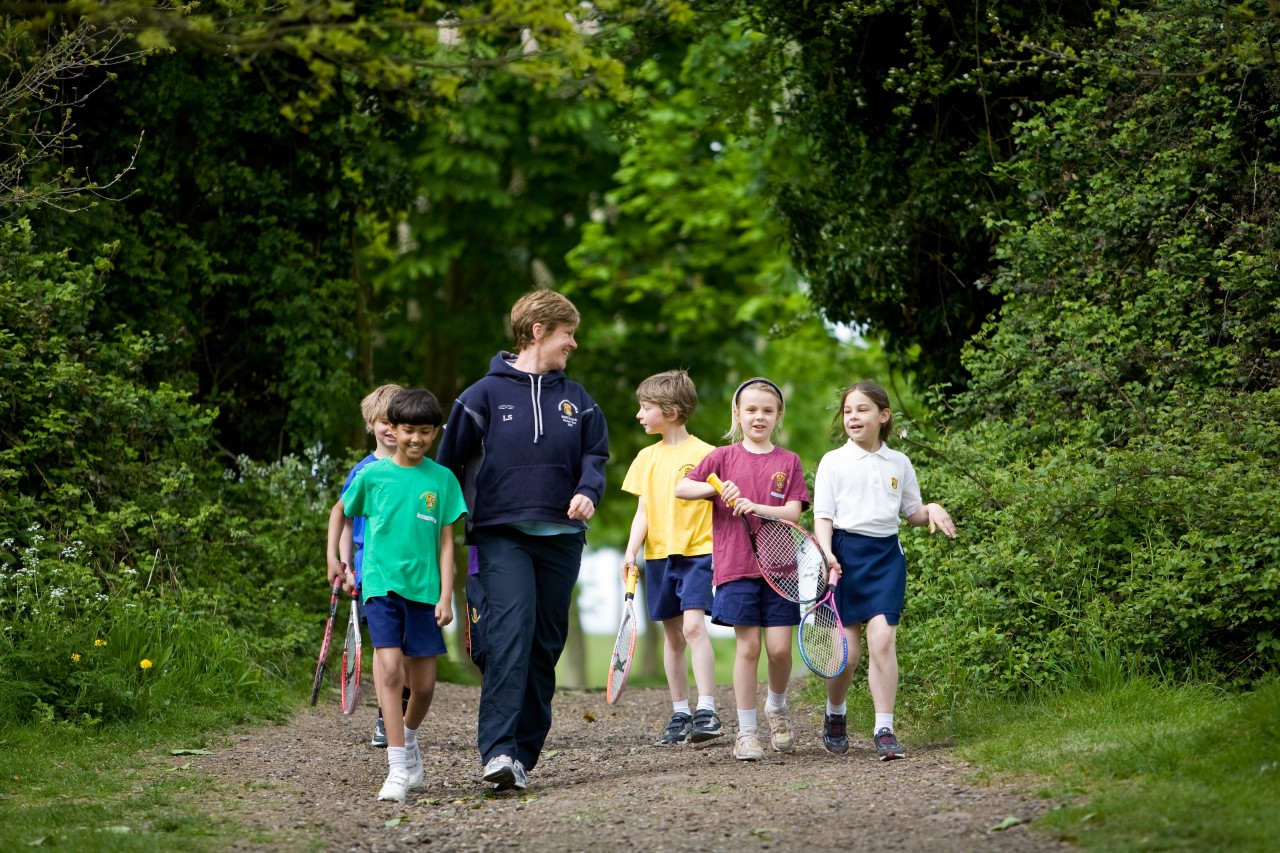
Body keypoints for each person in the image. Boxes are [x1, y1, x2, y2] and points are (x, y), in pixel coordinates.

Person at [436, 289, 609, 792]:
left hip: (563, 538)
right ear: (538, 331)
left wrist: (588, 491)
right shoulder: (480, 396)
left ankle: (522, 756)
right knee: (510, 634)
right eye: (567, 334)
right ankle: (499, 749)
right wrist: (441, 533)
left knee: (544, 644)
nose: (573, 344)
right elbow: (446, 470)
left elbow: (595, 456)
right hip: (500, 533)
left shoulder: (579, 400)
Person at [812, 380, 956, 761]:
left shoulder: (899, 463)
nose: (853, 417)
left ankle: (884, 729)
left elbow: (912, 513)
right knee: (848, 654)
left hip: (886, 557)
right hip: (843, 557)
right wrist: (826, 552)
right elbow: (823, 517)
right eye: (848, 411)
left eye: (862, 409)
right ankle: (836, 712)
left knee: (882, 641)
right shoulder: (833, 462)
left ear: (883, 415)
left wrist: (932, 509)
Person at [338, 387, 467, 802]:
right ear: (393, 429)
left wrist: (446, 596)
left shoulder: (443, 480)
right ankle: (396, 768)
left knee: (424, 687)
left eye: (425, 432)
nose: (416, 439)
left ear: (436, 432)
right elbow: (342, 512)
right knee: (391, 670)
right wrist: (340, 564)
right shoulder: (371, 476)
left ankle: (409, 739)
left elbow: (446, 544)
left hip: (425, 592)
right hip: (380, 586)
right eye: (409, 430)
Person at [675, 377, 809, 761]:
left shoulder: (788, 461)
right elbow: (682, 488)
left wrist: (755, 506)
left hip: (780, 569)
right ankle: (747, 732)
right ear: (737, 414)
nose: (758, 417)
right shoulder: (721, 457)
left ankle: (776, 706)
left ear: (778, 415)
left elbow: (793, 512)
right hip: (735, 567)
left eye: (767, 410)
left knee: (779, 650)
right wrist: (717, 489)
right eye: (750, 409)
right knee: (748, 647)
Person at [621, 369, 722, 747]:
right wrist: (631, 550)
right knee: (673, 636)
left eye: (646, 407)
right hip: (658, 556)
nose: (639, 414)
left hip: (698, 553)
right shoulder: (645, 458)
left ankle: (707, 710)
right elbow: (643, 511)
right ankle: (681, 712)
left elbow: (721, 499)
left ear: (672, 411)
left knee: (693, 628)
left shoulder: (707, 454)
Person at [325, 383, 411, 749]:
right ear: (370, 425)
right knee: (386, 647)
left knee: (408, 650)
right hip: (372, 572)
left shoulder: (418, 471)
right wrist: (343, 564)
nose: (390, 429)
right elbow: (346, 519)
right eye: (383, 422)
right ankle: (385, 718)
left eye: (396, 422)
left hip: (411, 572)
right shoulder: (363, 472)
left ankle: (400, 712)